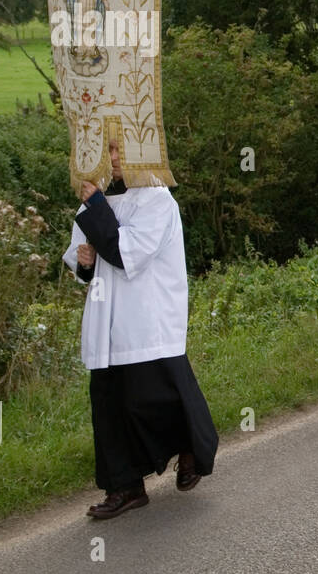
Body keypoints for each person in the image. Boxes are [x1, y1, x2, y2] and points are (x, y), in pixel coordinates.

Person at [62, 133, 218, 520]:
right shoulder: (99, 199)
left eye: (119, 149)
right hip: (106, 318)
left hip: (147, 316)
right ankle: (125, 486)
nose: (112, 158)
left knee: (157, 397)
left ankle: (191, 452)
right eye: (107, 150)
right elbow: (82, 256)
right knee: (110, 405)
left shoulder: (156, 198)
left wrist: (94, 204)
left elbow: (122, 253)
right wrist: (82, 261)